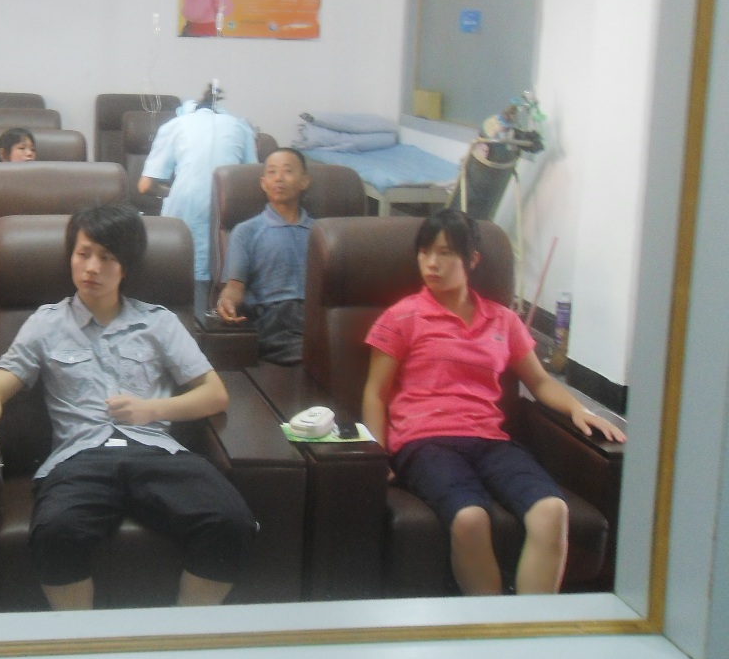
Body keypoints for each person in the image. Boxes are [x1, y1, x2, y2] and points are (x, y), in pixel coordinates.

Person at [0, 204, 256, 610]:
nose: (91, 267)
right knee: (56, 532)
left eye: (106, 257)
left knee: (231, 522)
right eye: (83, 254)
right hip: (80, 458)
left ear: (125, 266)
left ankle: (183, 633)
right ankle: (80, 639)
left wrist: (152, 409)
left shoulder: (159, 322)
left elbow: (215, 393)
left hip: (156, 452)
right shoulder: (46, 324)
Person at [361, 209, 626, 596]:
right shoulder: (402, 318)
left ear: (472, 260)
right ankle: (491, 621)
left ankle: (529, 626)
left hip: (489, 439)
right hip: (424, 441)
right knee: (470, 517)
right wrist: (377, 453)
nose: (431, 263)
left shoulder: (503, 320)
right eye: (425, 252)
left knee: (552, 511)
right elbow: (375, 392)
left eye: (446, 253)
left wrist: (579, 410)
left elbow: (539, 380)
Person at [138, 83, 257, 281]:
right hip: (227, 207)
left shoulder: (175, 125)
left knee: (181, 273)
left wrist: (171, 191)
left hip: (183, 212)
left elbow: (145, 186)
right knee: (220, 270)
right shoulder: (240, 126)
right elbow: (251, 179)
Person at [215, 147, 313, 365]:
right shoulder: (246, 231)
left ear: (304, 181)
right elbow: (234, 287)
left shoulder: (322, 233)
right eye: (272, 172)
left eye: (288, 171)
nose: (279, 178)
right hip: (275, 319)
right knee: (316, 355)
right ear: (263, 183)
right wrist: (226, 302)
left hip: (316, 317)